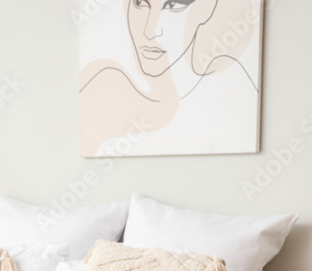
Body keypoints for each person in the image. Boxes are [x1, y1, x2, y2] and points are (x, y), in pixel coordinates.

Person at [80, 0, 259, 156]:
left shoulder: (233, 100)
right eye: (140, 2)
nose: (150, 31)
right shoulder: (105, 83)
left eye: (172, 5)